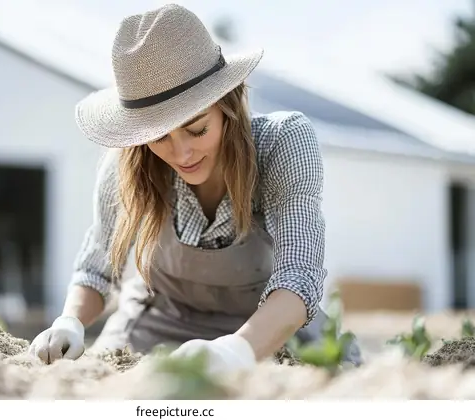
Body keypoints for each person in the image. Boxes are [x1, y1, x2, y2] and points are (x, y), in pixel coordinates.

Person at [28, 3, 363, 375]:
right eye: (159, 138)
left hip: (273, 329)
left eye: (197, 128)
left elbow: (299, 275)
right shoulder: (129, 164)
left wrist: (235, 352)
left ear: (227, 104)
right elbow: (96, 269)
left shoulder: (282, 143)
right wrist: (70, 322)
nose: (181, 153)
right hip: (159, 325)